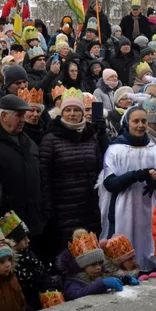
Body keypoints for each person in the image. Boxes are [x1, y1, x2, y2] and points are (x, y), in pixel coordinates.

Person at [99, 105, 156, 271]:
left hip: (149, 205)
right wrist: (134, 175)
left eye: (144, 121)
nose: (140, 125)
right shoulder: (115, 150)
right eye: (135, 121)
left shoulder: (155, 150)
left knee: (149, 237)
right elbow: (110, 183)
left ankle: (150, 269)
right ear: (127, 123)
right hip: (125, 206)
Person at [39, 89, 108, 253]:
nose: (72, 114)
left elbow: (99, 169)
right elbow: (44, 176)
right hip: (63, 208)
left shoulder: (90, 136)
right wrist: (49, 207)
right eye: (68, 110)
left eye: (76, 110)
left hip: (89, 206)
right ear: (61, 112)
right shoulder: (51, 139)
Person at [0, 94, 46, 237]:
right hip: (6, 220)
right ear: (4, 116)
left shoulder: (27, 141)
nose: (23, 119)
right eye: (18, 115)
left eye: (23, 115)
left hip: (34, 218)